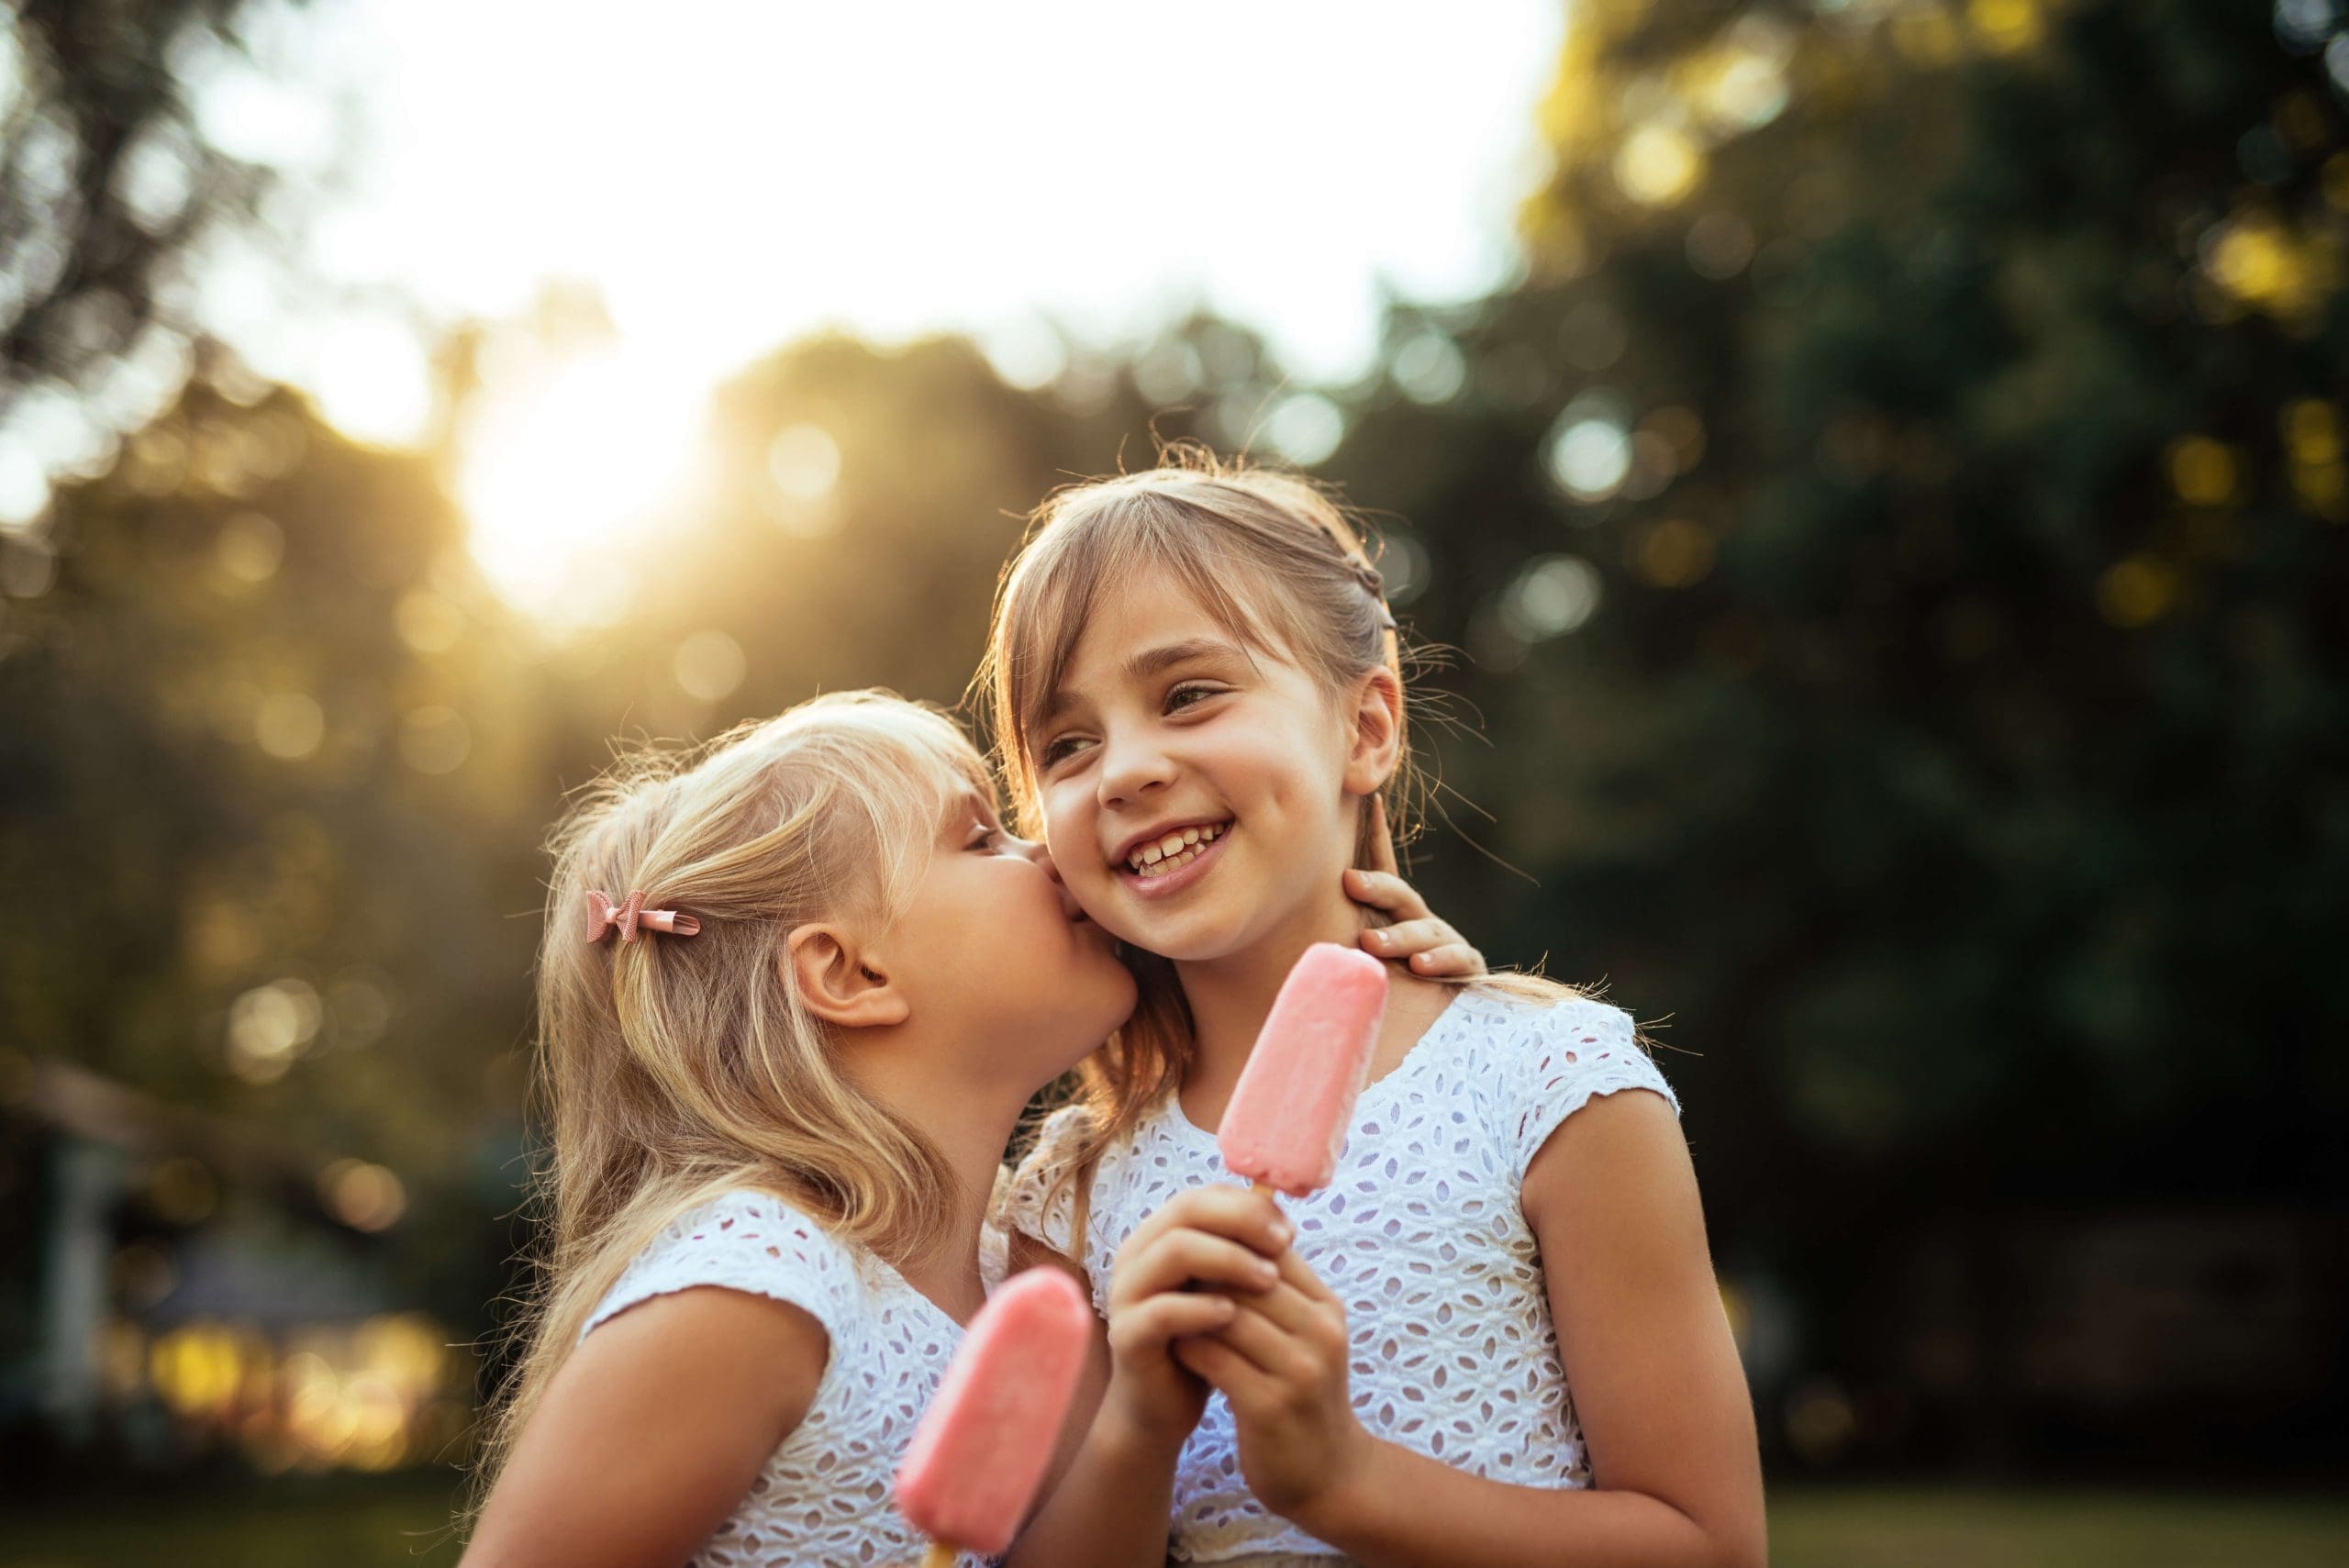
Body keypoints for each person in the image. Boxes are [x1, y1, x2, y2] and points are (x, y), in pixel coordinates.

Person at [458, 690, 1473, 1568]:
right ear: (850, 974)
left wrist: (1146, 1414)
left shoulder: (1033, 1283)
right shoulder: (753, 1285)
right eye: (979, 837)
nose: (1043, 851)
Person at [982, 452, 1767, 1567]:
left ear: (1366, 729)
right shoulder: (1072, 1188)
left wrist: (1344, 1481)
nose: (1124, 769)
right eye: (1067, 744)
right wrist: (1141, 1423)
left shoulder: (1548, 1084)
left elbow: (1710, 1544)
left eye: (1189, 693)